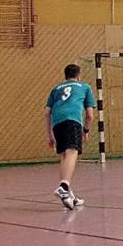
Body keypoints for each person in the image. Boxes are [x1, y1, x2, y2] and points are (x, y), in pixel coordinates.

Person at [45, 63, 95, 209]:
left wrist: (50, 135)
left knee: (64, 155)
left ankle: (68, 194)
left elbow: (47, 113)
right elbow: (90, 115)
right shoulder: (84, 87)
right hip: (72, 120)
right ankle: (64, 186)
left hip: (57, 123)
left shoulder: (56, 89)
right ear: (79, 76)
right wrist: (85, 131)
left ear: (65, 76)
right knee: (72, 152)